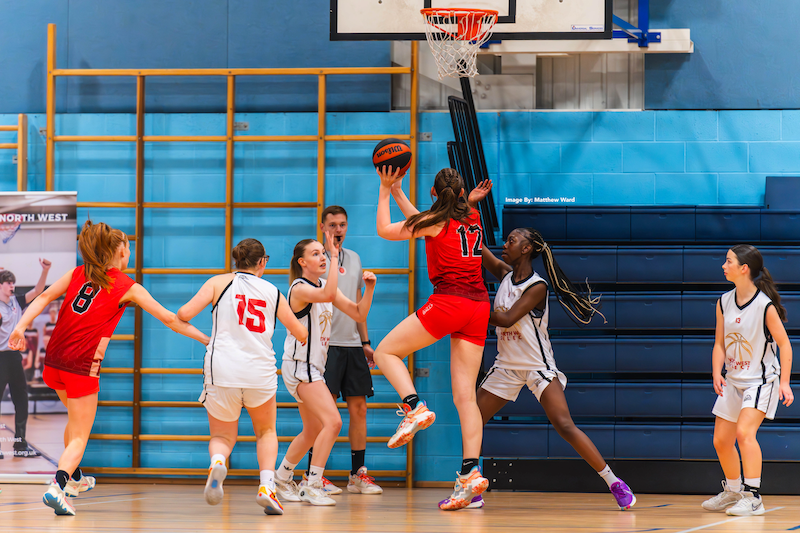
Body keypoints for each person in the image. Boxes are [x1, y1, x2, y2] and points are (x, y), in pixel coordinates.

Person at [8, 221, 209, 516]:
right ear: (120, 251)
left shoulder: (78, 273)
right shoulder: (128, 286)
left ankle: (75, 478)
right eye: (129, 248)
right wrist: (206, 338)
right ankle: (57, 486)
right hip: (81, 365)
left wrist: (21, 326)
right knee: (80, 435)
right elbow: (169, 318)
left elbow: (44, 297)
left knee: (75, 423)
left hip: (54, 361)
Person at [476, 226, 636, 510]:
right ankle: (469, 488)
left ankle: (614, 482)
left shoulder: (537, 286)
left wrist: (466, 310)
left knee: (564, 425)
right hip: (506, 366)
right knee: (472, 421)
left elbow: (507, 317)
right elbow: (478, 248)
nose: (505, 244)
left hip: (537, 365)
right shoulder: (504, 276)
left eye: (511, 240)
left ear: (526, 248)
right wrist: (466, 212)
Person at [372, 166, 490, 511]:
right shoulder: (473, 217)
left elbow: (384, 229)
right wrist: (398, 193)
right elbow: (430, 220)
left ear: (434, 195)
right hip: (478, 307)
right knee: (465, 397)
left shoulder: (435, 220)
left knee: (385, 353)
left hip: (449, 302)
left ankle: (413, 407)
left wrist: (383, 189)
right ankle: (470, 475)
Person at [177, 238, 308, 515]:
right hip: (259, 371)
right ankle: (266, 487)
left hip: (222, 368)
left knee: (223, 435)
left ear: (237, 260)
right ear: (263, 262)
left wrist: (206, 337)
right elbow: (301, 333)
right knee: (266, 431)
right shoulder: (273, 291)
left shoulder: (218, 282)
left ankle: (217, 463)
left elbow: (183, 314)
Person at [273, 234, 376, 507]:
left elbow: (358, 314)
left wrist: (369, 289)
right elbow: (329, 294)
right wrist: (332, 256)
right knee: (334, 422)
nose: (321, 257)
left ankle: (281, 478)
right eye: (316, 254)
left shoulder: (322, 286)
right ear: (302, 261)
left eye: (323, 253)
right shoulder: (299, 288)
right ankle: (312, 483)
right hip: (301, 367)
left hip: (311, 367)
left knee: (312, 429)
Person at [701, 244, 793, 516]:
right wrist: (716, 371)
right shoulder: (723, 301)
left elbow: (785, 345)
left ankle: (753, 497)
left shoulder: (765, 306)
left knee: (744, 433)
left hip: (761, 381)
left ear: (744, 268)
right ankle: (733, 491)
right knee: (721, 441)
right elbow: (719, 343)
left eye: (728, 261)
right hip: (734, 379)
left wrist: (785, 382)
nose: (723, 265)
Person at [303, 205, 382, 495]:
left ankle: (357, 474)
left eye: (342, 225)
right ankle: (314, 476)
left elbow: (358, 304)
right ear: (323, 227)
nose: (338, 230)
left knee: (358, 409)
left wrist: (365, 343)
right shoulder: (317, 261)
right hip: (324, 349)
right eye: (333, 225)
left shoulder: (356, 259)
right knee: (322, 416)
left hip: (352, 345)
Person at [0, 260, 51, 459]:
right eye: (7, 282)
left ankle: (20, 446)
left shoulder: (17, 302)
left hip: (14, 358)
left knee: (21, 402)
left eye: (13, 282)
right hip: (0, 358)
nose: (12, 285)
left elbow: (39, 290)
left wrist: (45, 271)